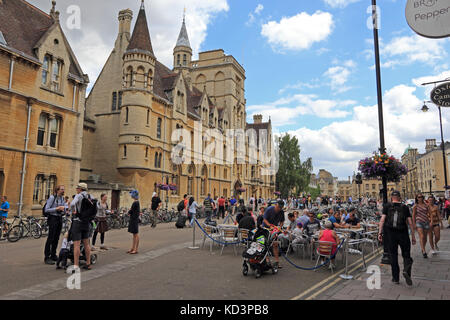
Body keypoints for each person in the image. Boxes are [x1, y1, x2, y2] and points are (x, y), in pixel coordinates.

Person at [378, 190, 416, 285]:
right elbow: (410, 222)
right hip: (403, 233)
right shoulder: (405, 207)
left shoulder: (387, 206)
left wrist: (380, 233)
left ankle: (395, 278)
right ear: (399, 197)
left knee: (393, 256)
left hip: (390, 234)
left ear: (392, 197)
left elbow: (382, 220)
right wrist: (413, 236)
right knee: (406, 255)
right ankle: (407, 272)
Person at [69, 183, 93, 270]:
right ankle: (88, 263)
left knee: (77, 245)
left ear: (80, 189)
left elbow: (72, 204)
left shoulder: (78, 196)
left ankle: (76, 265)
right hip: (86, 222)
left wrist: (72, 211)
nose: (76, 190)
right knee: (86, 244)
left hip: (78, 222)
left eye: (77, 188)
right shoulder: (90, 196)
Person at [44, 185, 66, 265]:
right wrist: (56, 209)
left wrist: (64, 210)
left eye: (64, 189)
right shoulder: (52, 198)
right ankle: (47, 257)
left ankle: (53, 255)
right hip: (53, 218)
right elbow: (46, 209)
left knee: (56, 238)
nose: (63, 191)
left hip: (59, 218)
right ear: (57, 190)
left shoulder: (62, 198)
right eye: (62, 189)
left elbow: (64, 208)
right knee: (51, 238)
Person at [263, 200, 285, 268]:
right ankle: (266, 260)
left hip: (274, 229)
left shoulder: (281, 212)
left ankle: (277, 262)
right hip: (266, 228)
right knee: (265, 244)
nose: (279, 209)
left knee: (275, 244)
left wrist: (280, 227)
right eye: (278, 207)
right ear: (276, 205)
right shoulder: (269, 209)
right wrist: (269, 225)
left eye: (281, 208)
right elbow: (264, 220)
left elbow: (282, 221)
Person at [412, 193, 430, 258]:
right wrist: (414, 224)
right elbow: (413, 215)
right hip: (419, 222)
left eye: (421, 197)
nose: (420, 198)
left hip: (426, 222)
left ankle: (423, 248)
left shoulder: (426, 205)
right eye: (419, 197)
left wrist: (431, 220)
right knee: (421, 236)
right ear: (416, 198)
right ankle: (424, 250)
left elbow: (429, 213)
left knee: (425, 238)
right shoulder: (415, 206)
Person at [127, 190, 140, 254]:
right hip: (134, 219)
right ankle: (133, 248)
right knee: (134, 235)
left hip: (134, 219)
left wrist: (129, 212)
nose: (131, 195)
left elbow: (131, 211)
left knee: (136, 234)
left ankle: (135, 249)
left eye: (132, 194)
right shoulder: (136, 202)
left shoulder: (136, 202)